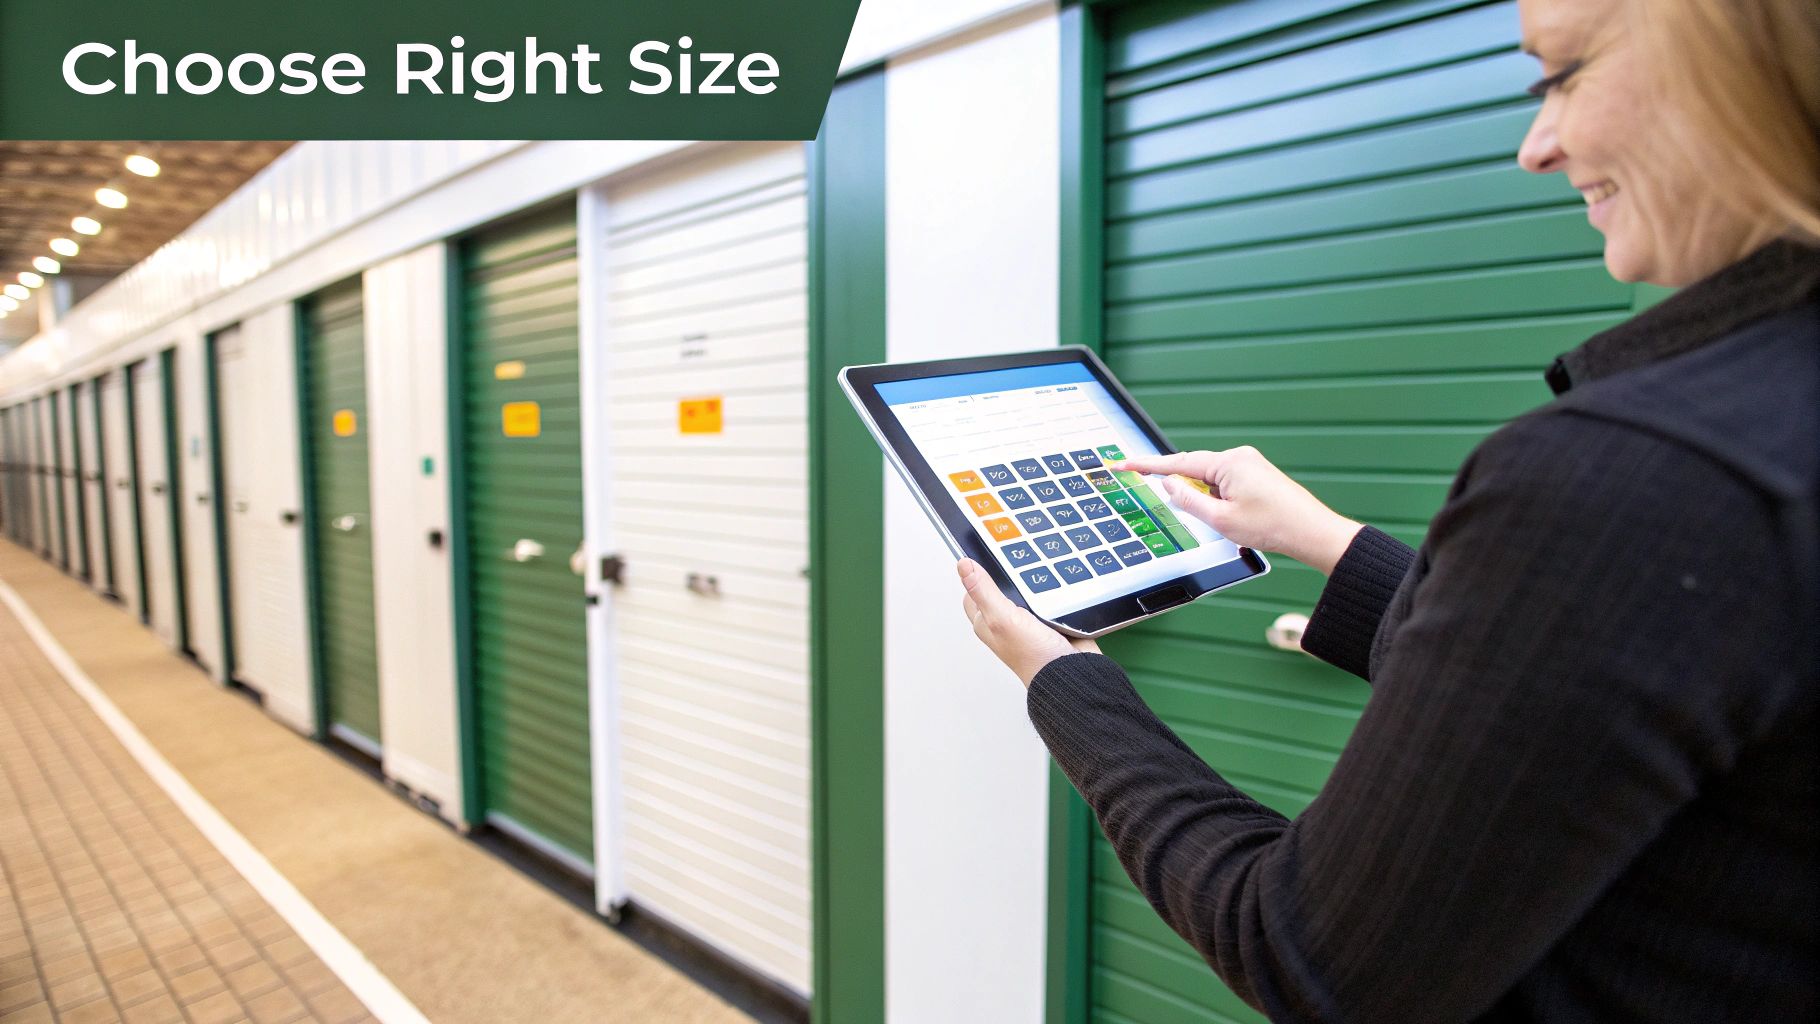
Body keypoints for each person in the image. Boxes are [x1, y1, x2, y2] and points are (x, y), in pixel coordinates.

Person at [956, 0, 1819, 1019]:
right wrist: (1323, 541)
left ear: (1748, 57)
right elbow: (1606, 668)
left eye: (1560, 73)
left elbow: (1306, 956)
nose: (1537, 148)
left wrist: (1065, 683)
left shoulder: (1644, 470)